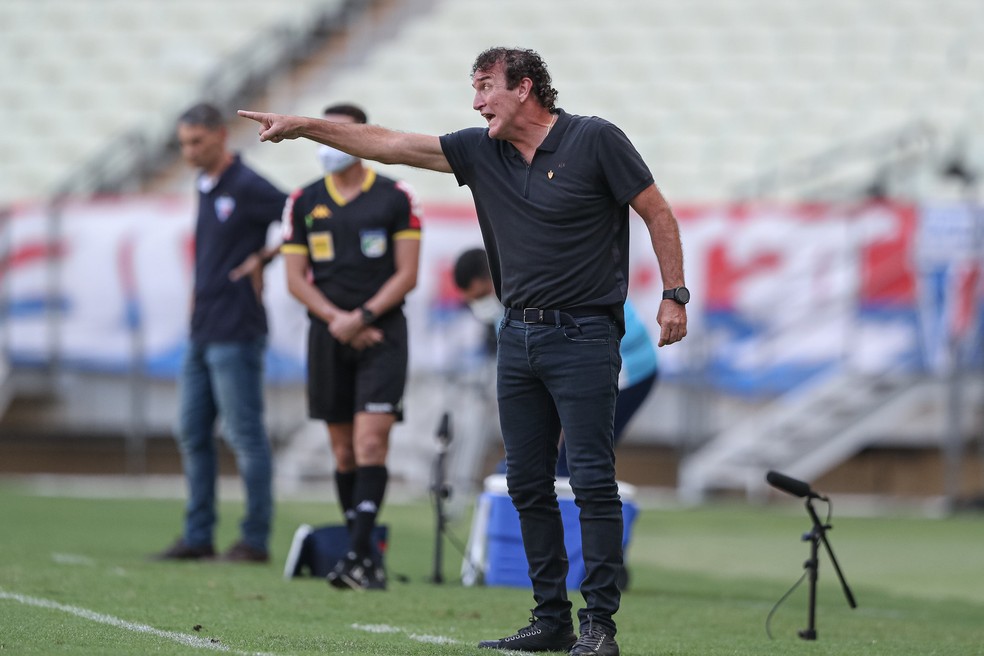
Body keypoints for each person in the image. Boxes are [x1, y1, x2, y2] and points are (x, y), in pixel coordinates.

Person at [239, 46, 688, 656]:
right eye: (474, 90)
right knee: (525, 483)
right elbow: (391, 143)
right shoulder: (480, 150)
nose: (475, 103)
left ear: (524, 88)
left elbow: (657, 211)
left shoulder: (596, 140)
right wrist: (306, 126)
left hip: (586, 336)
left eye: (485, 88)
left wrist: (673, 294)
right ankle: (550, 618)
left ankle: (599, 626)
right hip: (518, 339)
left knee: (591, 483)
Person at [280, 103, 422, 590]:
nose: (327, 145)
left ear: (361, 139)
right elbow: (296, 279)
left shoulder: (394, 196)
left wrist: (361, 317)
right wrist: (338, 320)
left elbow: (407, 274)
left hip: (382, 335)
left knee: (369, 442)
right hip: (327, 335)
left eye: (337, 135)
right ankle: (360, 557)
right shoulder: (303, 201)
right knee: (342, 452)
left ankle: (360, 556)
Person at [153, 102, 286, 563]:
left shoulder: (247, 185)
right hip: (203, 328)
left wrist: (265, 258)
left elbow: (301, 214)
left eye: (196, 142)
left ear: (220, 137)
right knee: (190, 430)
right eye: (184, 143)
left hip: (237, 328)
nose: (188, 151)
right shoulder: (206, 184)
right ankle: (199, 535)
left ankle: (255, 539)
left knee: (245, 435)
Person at [452, 248, 659, 479]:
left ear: (491, 277)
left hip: (626, 365)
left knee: (576, 463)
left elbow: (558, 376)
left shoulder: (528, 293)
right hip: (598, 356)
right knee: (554, 463)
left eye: (481, 296)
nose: (480, 305)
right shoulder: (512, 298)